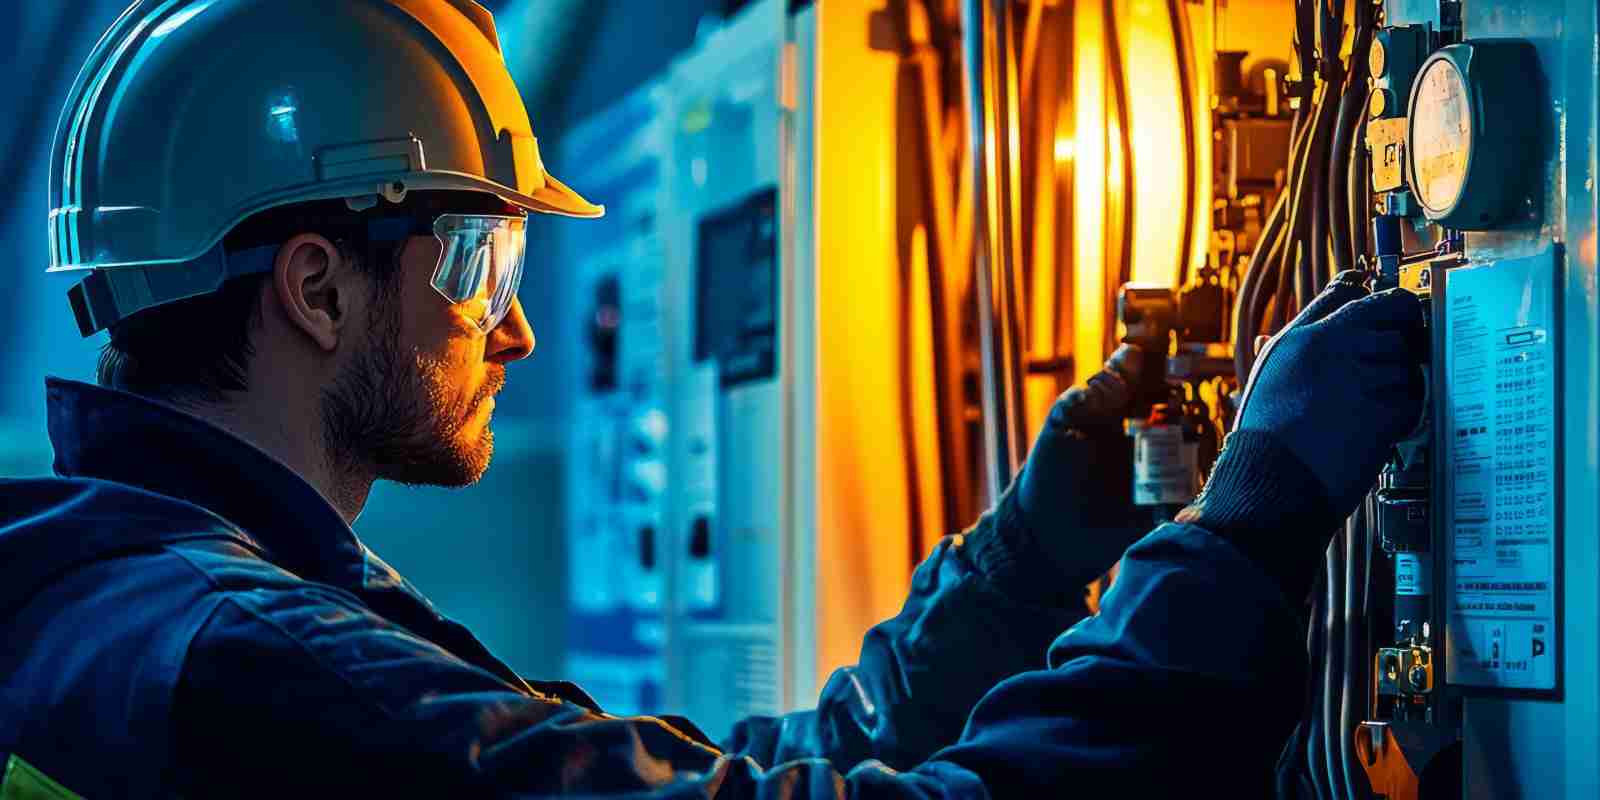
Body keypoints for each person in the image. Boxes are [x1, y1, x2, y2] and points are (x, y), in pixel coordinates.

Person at [0, 1, 1427, 797]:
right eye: (479, 256)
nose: (514, 333)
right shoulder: (254, 660)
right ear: (314, 289)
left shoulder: (163, 601)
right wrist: (1252, 528)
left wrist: (1026, 561)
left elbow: (739, 780)